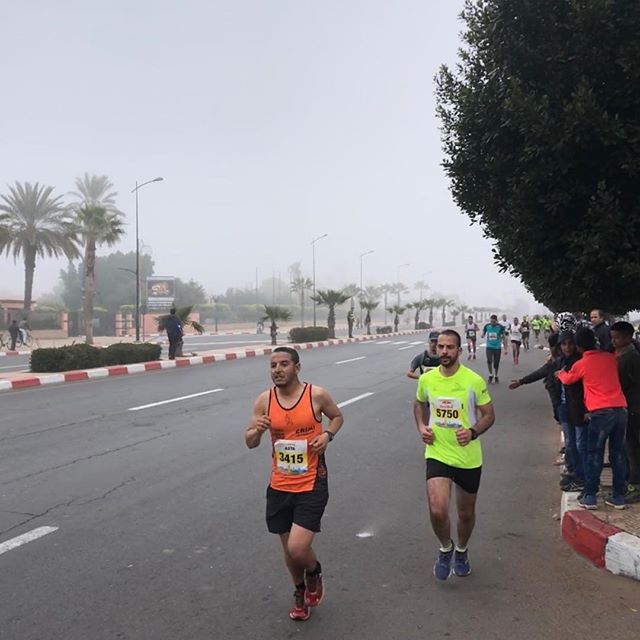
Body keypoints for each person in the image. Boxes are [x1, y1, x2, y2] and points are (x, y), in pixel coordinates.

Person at [245, 347, 343, 621]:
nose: (277, 369)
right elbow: (250, 441)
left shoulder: (316, 395)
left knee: (298, 548)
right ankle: (299, 591)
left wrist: (327, 436)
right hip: (279, 484)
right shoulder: (265, 400)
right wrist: (258, 431)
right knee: (288, 550)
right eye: (273, 365)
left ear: (297, 367)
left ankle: (314, 572)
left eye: (284, 364)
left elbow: (337, 416)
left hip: (312, 481)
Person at [413, 330, 495, 580]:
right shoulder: (426, 379)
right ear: (435, 349)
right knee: (438, 510)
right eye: (440, 347)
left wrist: (472, 432)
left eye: (450, 347)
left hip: (467, 456)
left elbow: (489, 415)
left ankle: (461, 550)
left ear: (459, 350)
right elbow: (419, 404)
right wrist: (422, 427)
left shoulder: (473, 380)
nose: (445, 352)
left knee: (465, 513)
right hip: (437, 452)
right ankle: (445, 548)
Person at [556, 328, 628, 510]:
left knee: (593, 454)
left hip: (600, 413)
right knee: (617, 454)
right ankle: (618, 496)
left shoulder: (582, 363)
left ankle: (590, 496)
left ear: (578, 346)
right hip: (621, 409)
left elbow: (568, 379)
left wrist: (559, 374)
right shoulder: (610, 358)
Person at [610, 321, 640, 503]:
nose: (613, 341)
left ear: (628, 338)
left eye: (617, 338)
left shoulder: (633, 358)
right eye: (612, 337)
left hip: (633, 407)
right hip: (623, 406)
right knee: (626, 445)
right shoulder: (618, 354)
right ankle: (630, 479)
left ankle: (635, 485)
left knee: (632, 446)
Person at [482, 314, 505, 384]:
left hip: (497, 347)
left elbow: (503, 336)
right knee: (489, 361)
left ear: (496, 321)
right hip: (489, 347)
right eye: (491, 321)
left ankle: (496, 375)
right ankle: (490, 375)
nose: (492, 323)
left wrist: (502, 338)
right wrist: (482, 335)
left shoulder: (500, 327)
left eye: (494, 322)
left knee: (496, 363)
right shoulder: (487, 326)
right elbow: (483, 333)